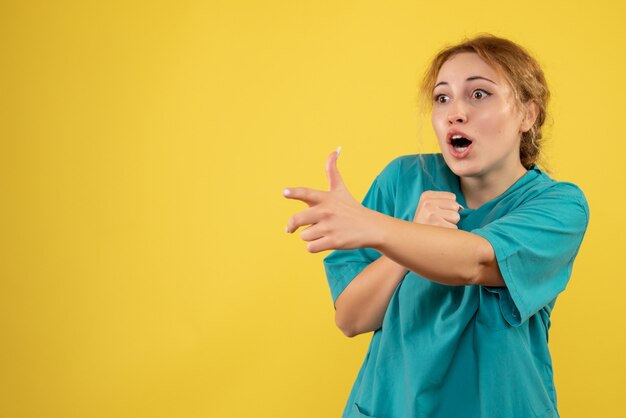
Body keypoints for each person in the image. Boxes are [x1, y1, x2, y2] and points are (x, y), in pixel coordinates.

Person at [283, 34, 589, 418]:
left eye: (479, 94)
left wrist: (377, 228)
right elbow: (351, 318)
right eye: (442, 98)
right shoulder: (403, 179)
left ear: (528, 114)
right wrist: (407, 241)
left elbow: (476, 262)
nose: (454, 112)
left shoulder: (559, 206)